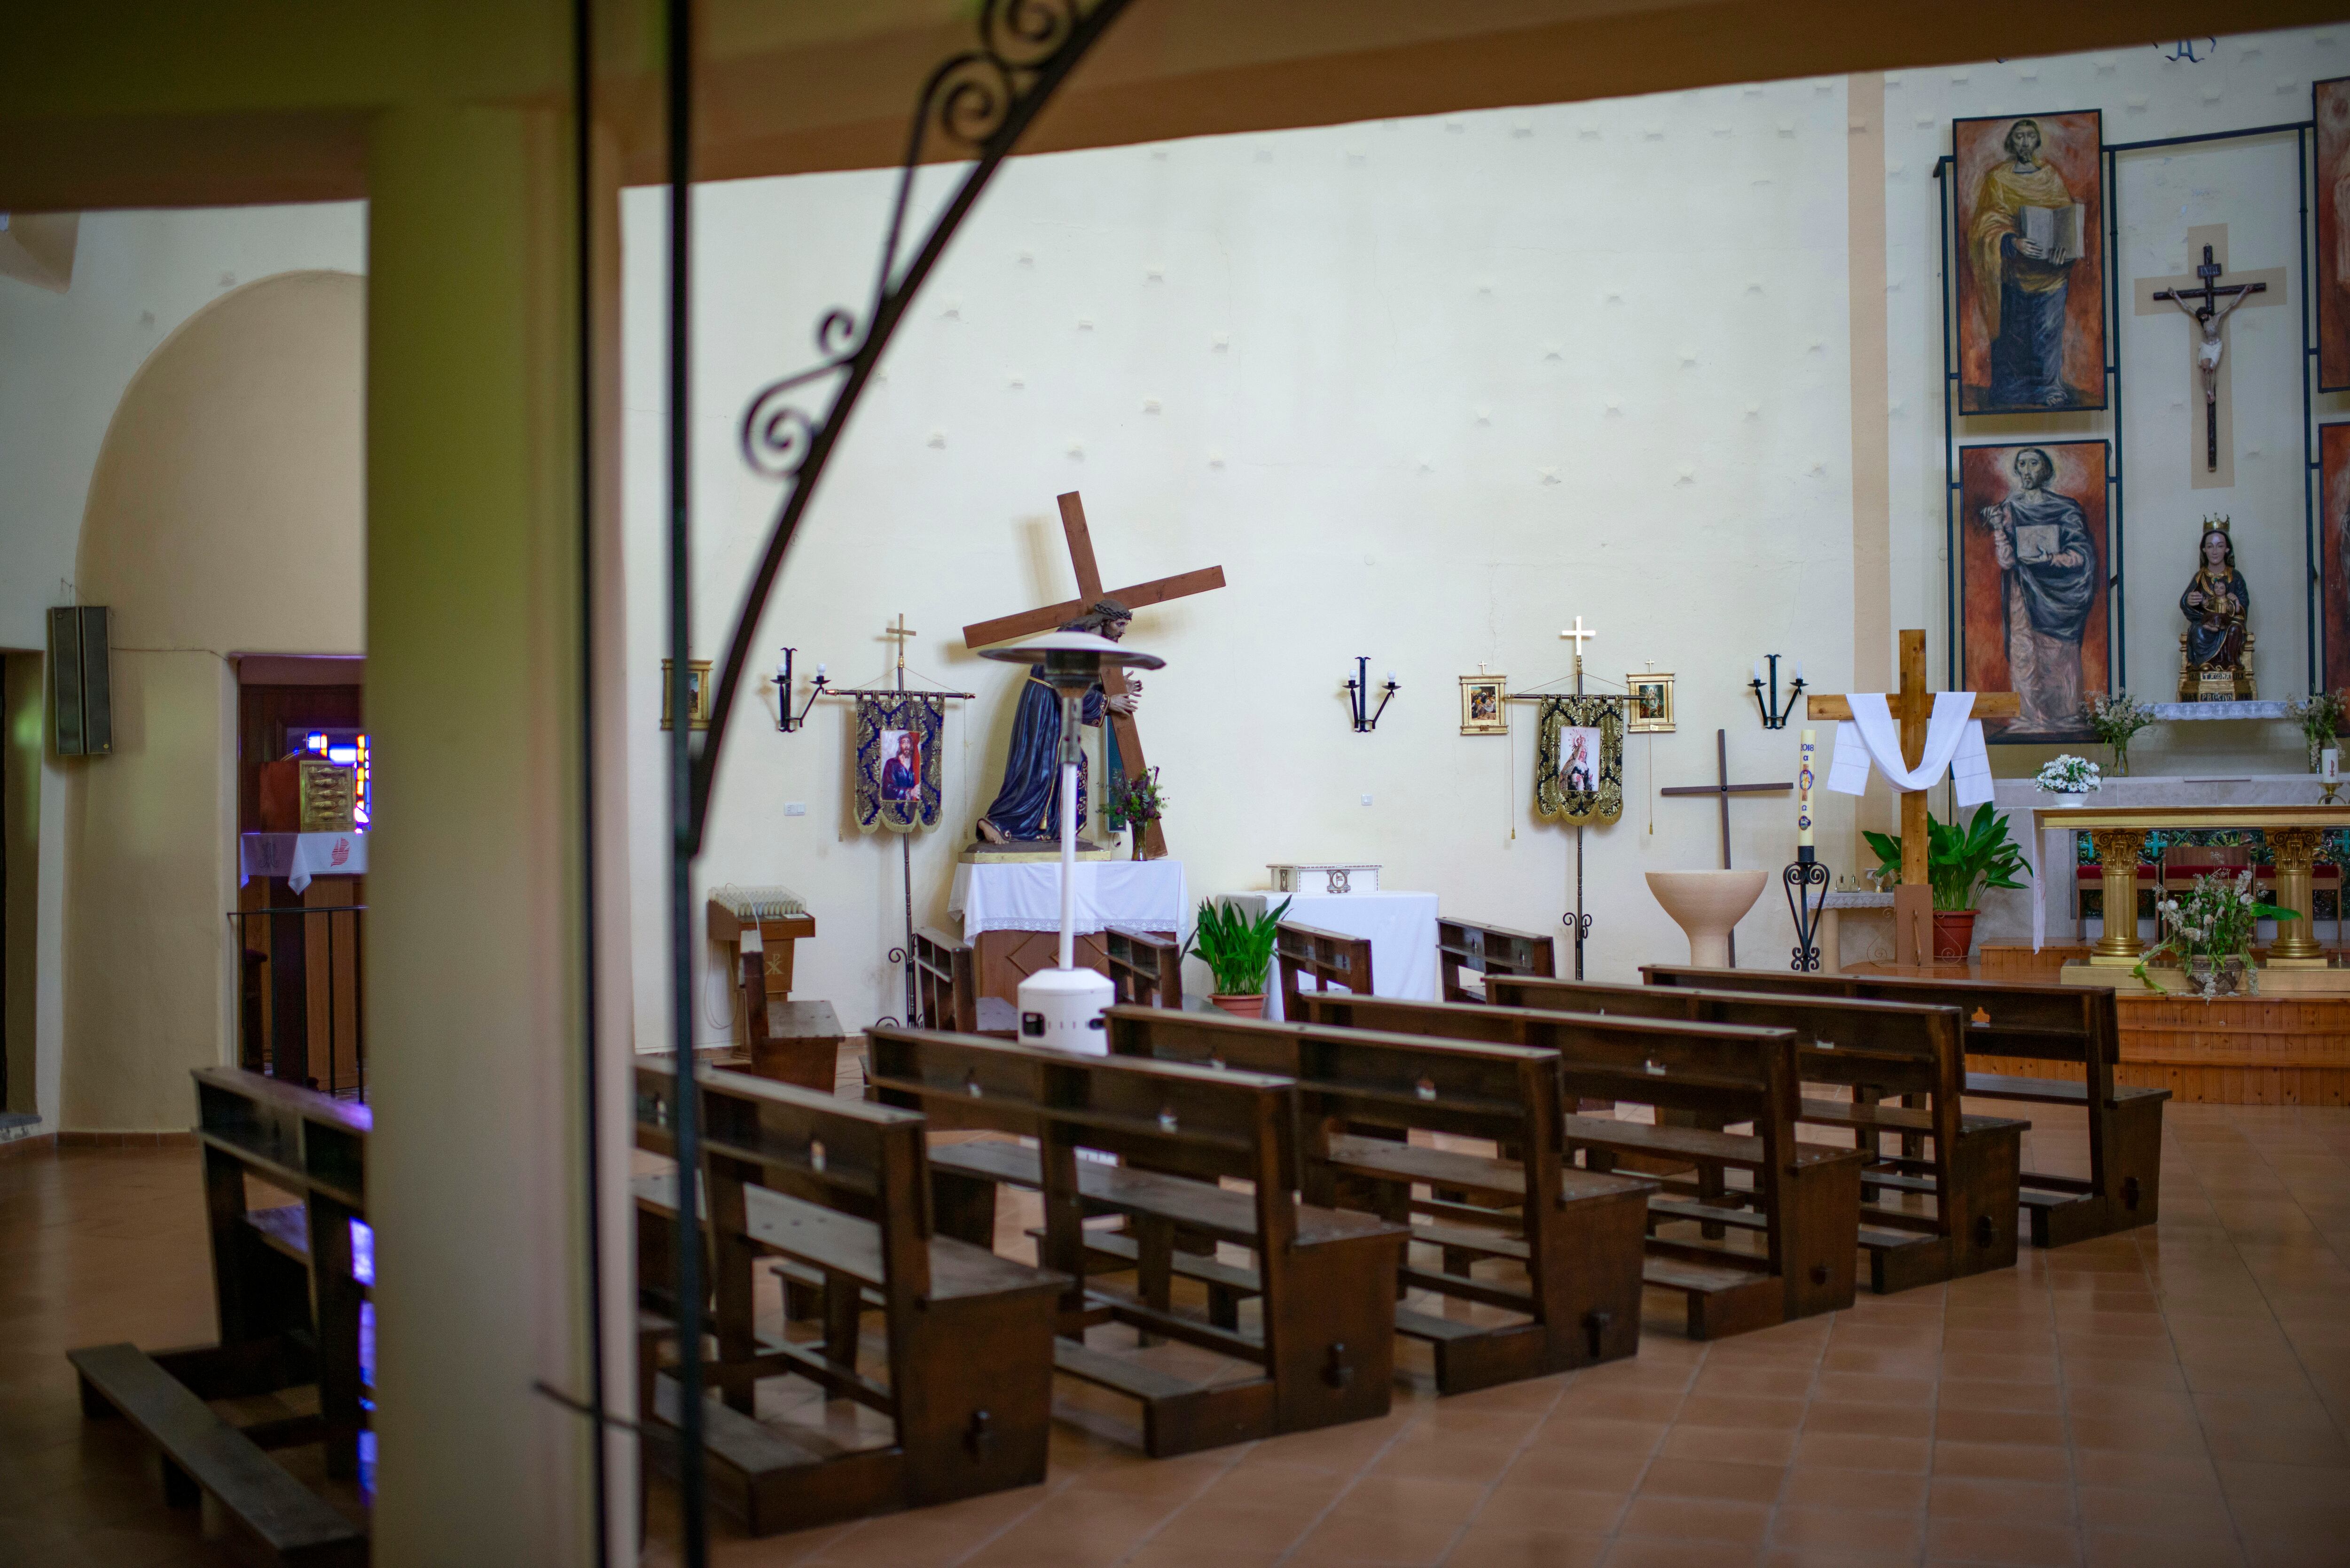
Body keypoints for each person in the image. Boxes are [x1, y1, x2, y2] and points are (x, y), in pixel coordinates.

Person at [975, 598, 1140, 843]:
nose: (1123, 631)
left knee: (1067, 765)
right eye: (1119, 624)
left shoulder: (1090, 640)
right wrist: (1107, 703)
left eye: (1125, 625)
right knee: (1036, 768)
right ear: (1103, 621)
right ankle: (996, 822)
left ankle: (1060, 831)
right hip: (1044, 704)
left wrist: (1115, 687)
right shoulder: (1074, 638)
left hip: (1056, 703)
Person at [1979, 446, 2097, 732]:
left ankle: (2065, 718)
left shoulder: (2066, 508)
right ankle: (2028, 718)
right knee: (2024, 652)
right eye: (2022, 464)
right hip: (2022, 592)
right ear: (2017, 471)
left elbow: (2081, 555)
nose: (2028, 470)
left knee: (2057, 654)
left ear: (2045, 470)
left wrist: (2051, 560)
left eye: (2034, 463)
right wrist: (1998, 528)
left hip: (2058, 596)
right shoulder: (2009, 507)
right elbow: (2007, 561)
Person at [1968, 118, 2084, 408]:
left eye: (2029, 136)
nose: (2024, 142)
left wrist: (2063, 250)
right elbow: (1985, 224)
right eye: (2018, 136)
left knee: (2047, 334)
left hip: (2051, 274)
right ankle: (2012, 391)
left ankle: (2048, 389)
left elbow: (2065, 221)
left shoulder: (2050, 177)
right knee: (2014, 335)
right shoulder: (1998, 179)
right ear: (2010, 142)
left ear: (2036, 142)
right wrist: (2012, 241)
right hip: (2013, 274)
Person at [2182, 524, 2250, 676]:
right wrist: (2189, 601)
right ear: (2204, 550)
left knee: (2235, 630)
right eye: (2210, 547)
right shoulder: (2200, 576)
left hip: (2229, 622)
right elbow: (2185, 603)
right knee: (2198, 630)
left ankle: (2231, 664)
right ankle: (2204, 664)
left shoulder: (2235, 576)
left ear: (2227, 549)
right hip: (2207, 622)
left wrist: (2236, 604)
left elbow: (2244, 601)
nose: (2215, 551)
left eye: (2220, 546)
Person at [880, 731, 919, 802]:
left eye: (908, 742)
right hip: (896, 807)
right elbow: (887, 789)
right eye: (903, 742)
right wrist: (910, 793)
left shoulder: (916, 766)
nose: (906, 745)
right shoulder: (891, 763)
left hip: (912, 807)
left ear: (911, 746)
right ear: (900, 746)